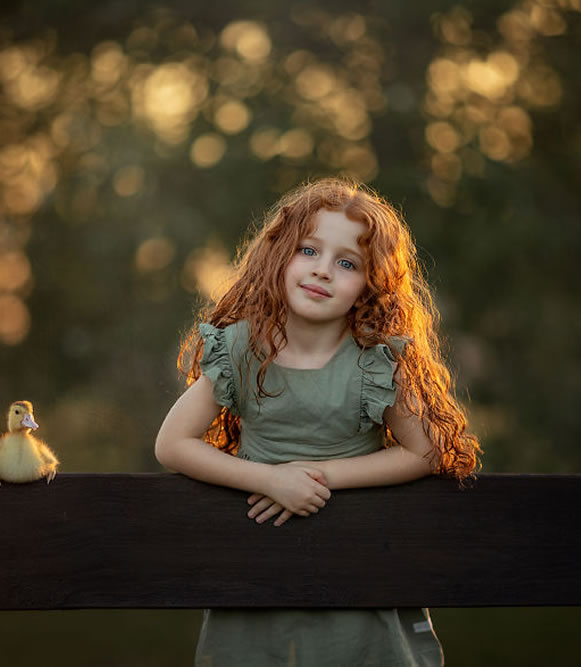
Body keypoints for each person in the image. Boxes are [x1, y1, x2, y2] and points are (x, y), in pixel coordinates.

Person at [155, 177, 481, 666]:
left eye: (347, 263)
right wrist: (271, 479)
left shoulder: (373, 358)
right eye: (308, 251)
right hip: (256, 577)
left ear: (371, 284)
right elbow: (172, 444)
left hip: (355, 571)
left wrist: (318, 477)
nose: (323, 271)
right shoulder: (242, 349)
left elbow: (428, 450)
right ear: (278, 255)